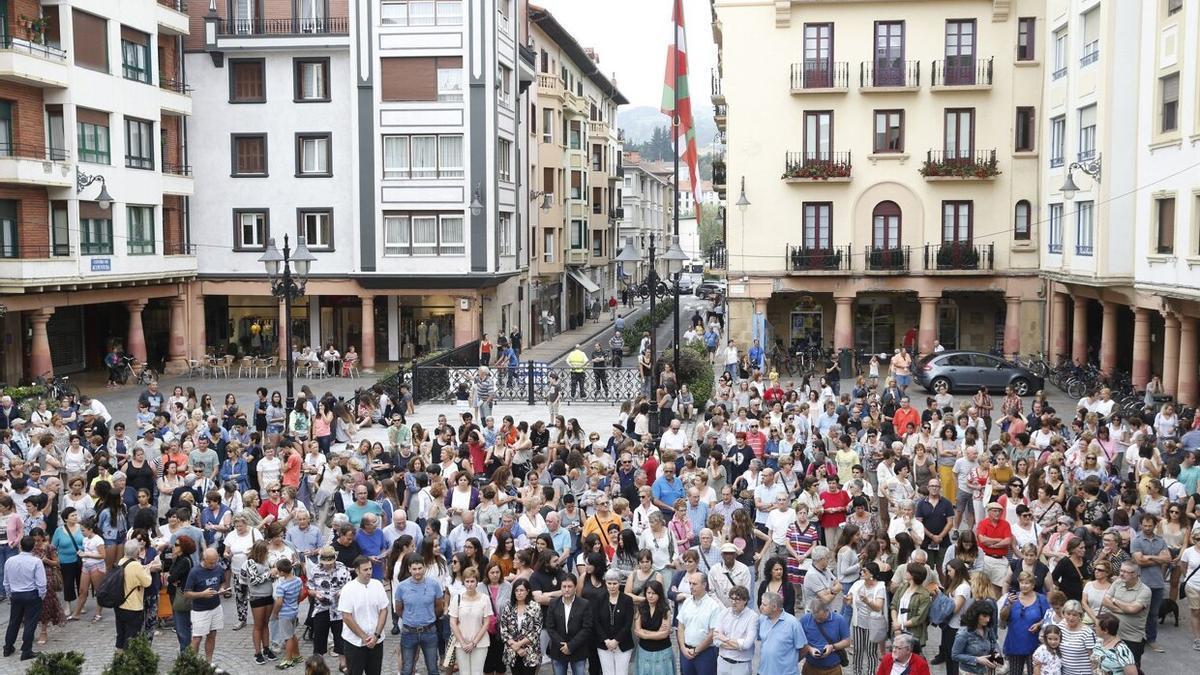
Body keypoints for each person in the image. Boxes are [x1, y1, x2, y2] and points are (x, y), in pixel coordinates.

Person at [338, 556, 390, 675]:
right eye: (365, 570)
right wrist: (364, 637)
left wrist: (376, 635)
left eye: (370, 569)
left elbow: (384, 610)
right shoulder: (348, 589)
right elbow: (346, 616)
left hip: (376, 641)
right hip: (354, 643)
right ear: (357, 571)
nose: (369, 572)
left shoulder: (377, 585)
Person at [1128, 513, 1169, 652]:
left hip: (1157, 582)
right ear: (1140, 525)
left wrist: (1148, 558)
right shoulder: (1137, 540)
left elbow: (1167, 559)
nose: (1146, 528)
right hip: (1141, 582)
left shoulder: (1161, 540)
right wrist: (1157, 558)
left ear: (1155, 525)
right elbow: (1139, 561)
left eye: (1149, 525)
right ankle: (1136, 638)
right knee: (1137, 612)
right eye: (1144, 525)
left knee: (1153, 614)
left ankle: (1151, 639)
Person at [1100, 562, 1150, 668]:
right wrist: (1123, 610)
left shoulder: (1145, 591)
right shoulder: (1117, 583)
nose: (1121, 574)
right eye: (1121, 571)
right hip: (1112, 635)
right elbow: (1104, 600)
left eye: (1125, 572)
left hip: (1132, 639)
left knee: (1130, 669)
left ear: (1134, 574)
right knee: (1110, 668)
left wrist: (1114, 600)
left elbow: (1133, 609)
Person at [2, 536, 45, 661]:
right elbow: (41, 583)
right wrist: (41, 595)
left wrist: (10, 594)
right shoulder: (36, 562)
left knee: (14, 621)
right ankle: (26, 650)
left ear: (20, 546)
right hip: (31, 594)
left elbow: (6, 581)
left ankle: (8, 647)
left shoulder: (10, 561)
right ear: (33, 548)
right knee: (30, 623)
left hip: (16, 594)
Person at [545, 573, 592, 675]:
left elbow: (586, 628)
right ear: (560, 588)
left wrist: (571, 646)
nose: (567, 589)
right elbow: (550, 627)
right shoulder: (553, 603)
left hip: (578, 649)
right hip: (558, 649)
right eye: (564, 586)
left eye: (570, 586)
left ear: (575, 587)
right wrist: (563, 645)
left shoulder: (584, 604)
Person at [184, 547, 225, 664]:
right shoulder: (195, 572)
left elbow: (222, 581)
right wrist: (202, 594)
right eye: (211, 562)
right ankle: (192, 664)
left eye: (215, 561)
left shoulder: (218, 568)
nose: (214, 565)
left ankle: (208, 662)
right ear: (204, 559)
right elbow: (187, 593)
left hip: (216, 607)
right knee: (197, 638)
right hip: (200, 610)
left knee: (212, 634)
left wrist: (222, 588)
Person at [450, 566, 493, 675]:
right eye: (467, 581)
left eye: (472, 581)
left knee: (477, 672)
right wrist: (463, 642)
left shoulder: (484, 598)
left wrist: (474, 642)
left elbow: (486, 622)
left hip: (480, 643)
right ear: (463, 582)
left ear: (477, 582)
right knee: (464, 672)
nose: (470, 584)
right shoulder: (457, 598)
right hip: (461, 642)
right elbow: (453, 622)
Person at [677, 572, 722, 675]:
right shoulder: (687, 602)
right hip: (686, 651)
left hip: (705, 653)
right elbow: (681, 627)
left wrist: (696, 651)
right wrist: (683, 648)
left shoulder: (713, 606)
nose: (691, 587)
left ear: (704, 585)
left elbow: (712, 633)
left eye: (694, 584)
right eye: (690, 583)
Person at [592, 569, 634, 675]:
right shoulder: (599, 599)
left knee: (622, 672)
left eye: (615, 583)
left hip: (623, 643)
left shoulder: (627, 600)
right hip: (604, 644)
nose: (612, 586)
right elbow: (596, 622)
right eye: (609, 583)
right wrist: (606, 640)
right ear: (605, 583)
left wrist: (616, 641)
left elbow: (628, 623)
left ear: (619, 583)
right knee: (607, 673)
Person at [758, 591, 808, 675]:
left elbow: (804, 648)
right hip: (763, 672)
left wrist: (791, 663)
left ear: (774, 607)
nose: (761, 607)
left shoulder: (792, 623)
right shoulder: (762, 619)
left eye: (764, 604)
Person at [500, 578, 542, 675]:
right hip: (512, 650)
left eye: (521, 590)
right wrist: (515, 647)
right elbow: (503, 629)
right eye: (516, 590)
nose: (519, 593)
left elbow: (536, 630)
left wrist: (519, 644)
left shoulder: (535, 607)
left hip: (530, 651)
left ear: (527, 592)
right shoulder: (508, 607)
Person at [951, 601, 1001, 675]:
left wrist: (996, 655)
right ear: (976, 615)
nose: (988, 619)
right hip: (969, 672)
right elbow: (955, 655)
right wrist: (977, 659)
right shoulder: (964, 633)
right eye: (984, 616)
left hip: (986, 671)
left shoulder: (988, 629)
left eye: (989, 616)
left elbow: (994, 643)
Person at [272, 558, 304, 669]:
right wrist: (295, 603)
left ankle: (288, 659)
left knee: (287, 637)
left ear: (281, 572)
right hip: (294, 611)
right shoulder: (298, 580)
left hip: (285, 614)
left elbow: (279, 602)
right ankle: (297, 655)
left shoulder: (281, 586)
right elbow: (301, 595)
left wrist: (275, 613)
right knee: (292, 634)